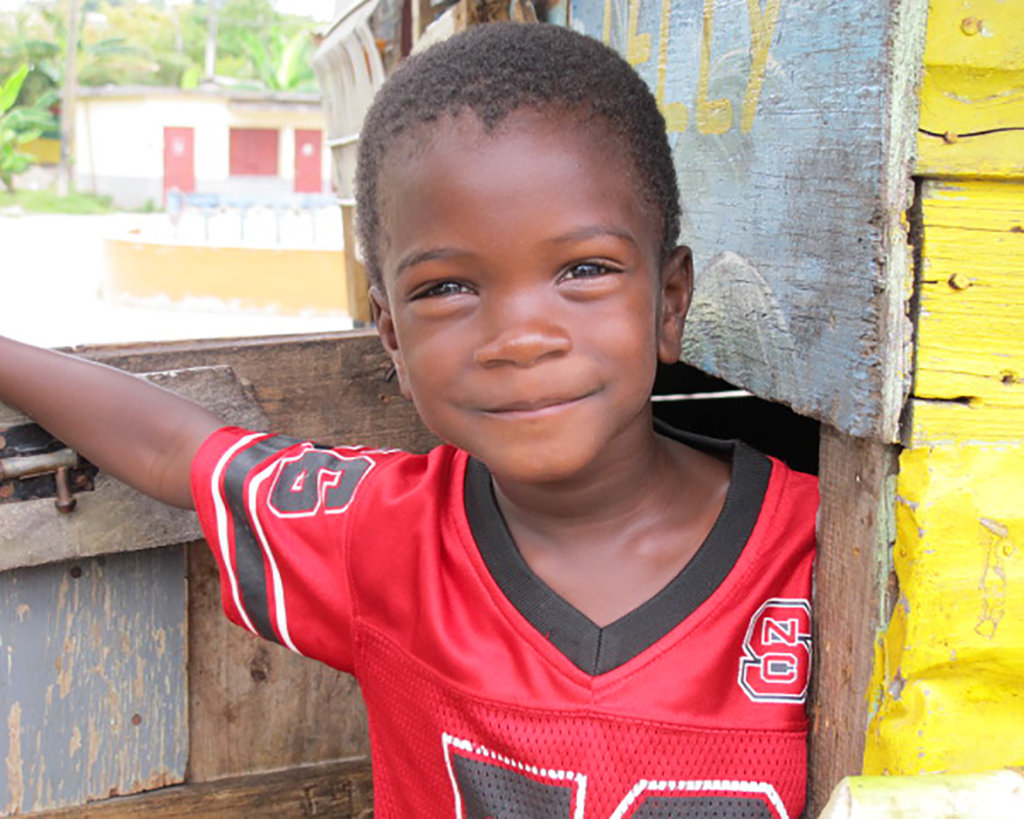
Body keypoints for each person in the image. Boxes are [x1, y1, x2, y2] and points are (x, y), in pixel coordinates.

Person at [0, 22, 816, 818]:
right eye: (448, 288)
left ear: (670, 301)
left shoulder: (823, 552)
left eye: (585, 269)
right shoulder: (382, 536)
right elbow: (175, 446)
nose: (521, 338)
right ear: (390, 332)